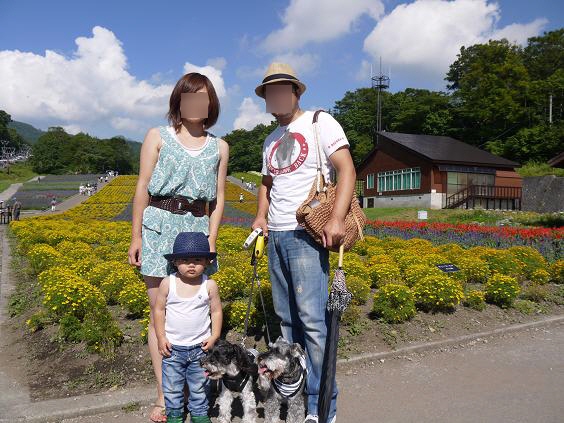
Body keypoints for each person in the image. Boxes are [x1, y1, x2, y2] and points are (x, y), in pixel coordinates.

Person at [251, 63, 356, 423]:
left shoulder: (319, 122)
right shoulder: (270, 140)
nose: (277, 97)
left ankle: (322, 408)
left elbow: (347, 169)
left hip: (306, 234)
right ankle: (295, 401)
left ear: (296, 92)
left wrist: (337, 218)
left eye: (283, 89)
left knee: (312, 324)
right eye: (271, 92)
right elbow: (267, 184)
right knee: (287, 324)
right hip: (276, 236)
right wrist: (261, 217)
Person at [128, 72, 229, 423]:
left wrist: (212, 237)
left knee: (197, 311)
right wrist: (136, 236)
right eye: (190, 97)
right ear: (178, 102)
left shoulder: (220, 146)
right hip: (159, 226)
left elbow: (219, 198)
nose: (196, 103)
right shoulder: (157, 136)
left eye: (203, 97)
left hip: (197, 232)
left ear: (211, 104)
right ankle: (165, 395)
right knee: (160, 311)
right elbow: (142, 186)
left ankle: (193, 393)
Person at [154, 231, 222, 423]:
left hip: (200, 348)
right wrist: (161, 337)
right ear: (175, 262)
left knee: (200, 385)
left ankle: (199, 414)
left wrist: (215, 336)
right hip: (173, 349)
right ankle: (174, 414)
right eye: (185, 260)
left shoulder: (209, 284)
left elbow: (216, 311)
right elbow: (159, 311)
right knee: (172, 387)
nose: (191, 264)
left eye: (197, 260)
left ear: (207, 262)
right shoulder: (168, 283)